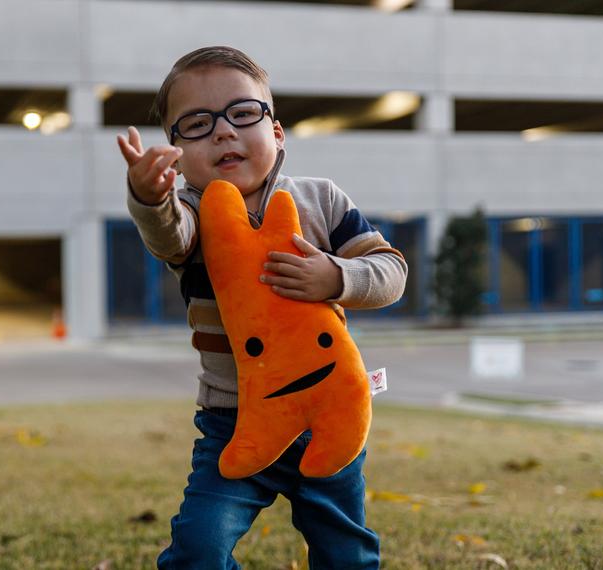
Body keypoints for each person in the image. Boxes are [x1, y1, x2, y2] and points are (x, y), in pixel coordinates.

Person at [116, 45, 407, 569]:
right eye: (197, 124)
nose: (224, 131)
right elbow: (167, 236)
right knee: (198, 548)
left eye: (243, 113)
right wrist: (148, 196)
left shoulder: (322, 201)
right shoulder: (192, 213)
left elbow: (391, 274)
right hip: (233, 420)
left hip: (328, 413)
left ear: (276, 131)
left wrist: (336, 276)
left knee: (345, 551)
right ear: (176, 153)